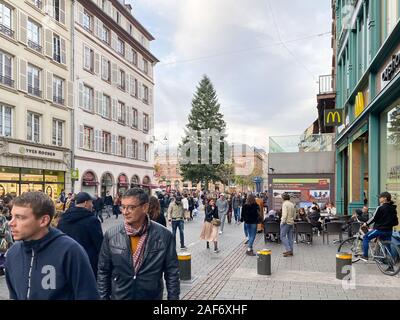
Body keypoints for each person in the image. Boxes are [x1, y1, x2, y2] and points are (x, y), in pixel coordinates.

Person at [5, 192, 99, 300]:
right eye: (12, 216)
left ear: (44, 220)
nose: (10, 223)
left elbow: (88, 295)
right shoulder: (13, 254)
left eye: (20, 217)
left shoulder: (70, 251)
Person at [97, 188, 180, 300]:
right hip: (120, 296)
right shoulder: (111, 235)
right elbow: (103, 271)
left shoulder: (164, 235)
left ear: (145, 208)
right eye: (123, 207)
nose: (125, 212)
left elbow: (172, 273)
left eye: (131, 207)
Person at [57, 192, 104, 278]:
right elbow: (100, 244)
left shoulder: (63, 219)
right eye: (91, 202)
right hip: (87, 263)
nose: (92, 205)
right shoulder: (92, 220)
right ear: (86, 203)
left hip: (67, 261)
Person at [361, 192, 399, 261]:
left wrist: (366, 224)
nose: (379, 198)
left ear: (385, 198)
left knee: (366, 237)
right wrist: (388, 224)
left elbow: (374, 218)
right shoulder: (393, 209)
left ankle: (365, 256)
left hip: (380, 230)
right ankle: (390, 266)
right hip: (389, 231)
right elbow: (396, 222)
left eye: (380, 197)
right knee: (387, 247)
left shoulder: (380, 207)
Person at [280, 193, 296, 257]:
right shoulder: (292, 204)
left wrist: (282, 222)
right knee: (290, 238)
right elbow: (294, 215)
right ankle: (291, 251)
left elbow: (284, 214)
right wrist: (292, 219)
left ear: (283, 198)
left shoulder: (284, 204)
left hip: (286, 222)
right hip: (291, 222)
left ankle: (288, 250)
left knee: (282, 236)